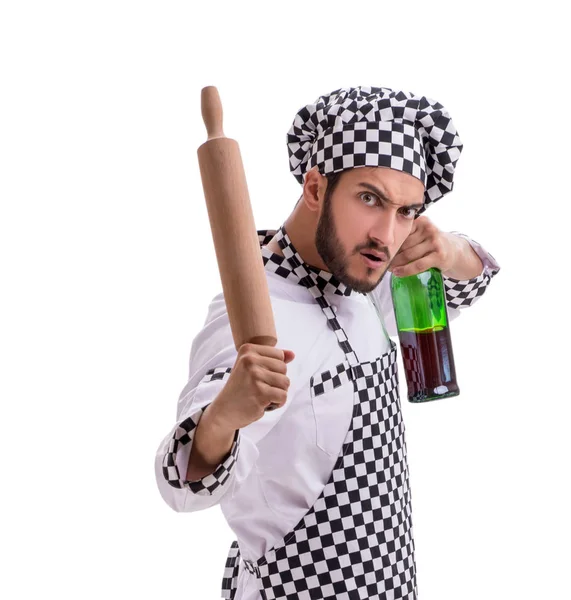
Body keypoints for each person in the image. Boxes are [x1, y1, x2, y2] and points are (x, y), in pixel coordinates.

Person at [155, 86, 501, 600]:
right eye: (370, 199)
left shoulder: (367, 276)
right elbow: (180, 478)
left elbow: (469, 283)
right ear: (315, 188)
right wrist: (224, 415)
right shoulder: (254, 314)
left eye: (406, 211)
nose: (387, 234)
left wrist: (451, 251)